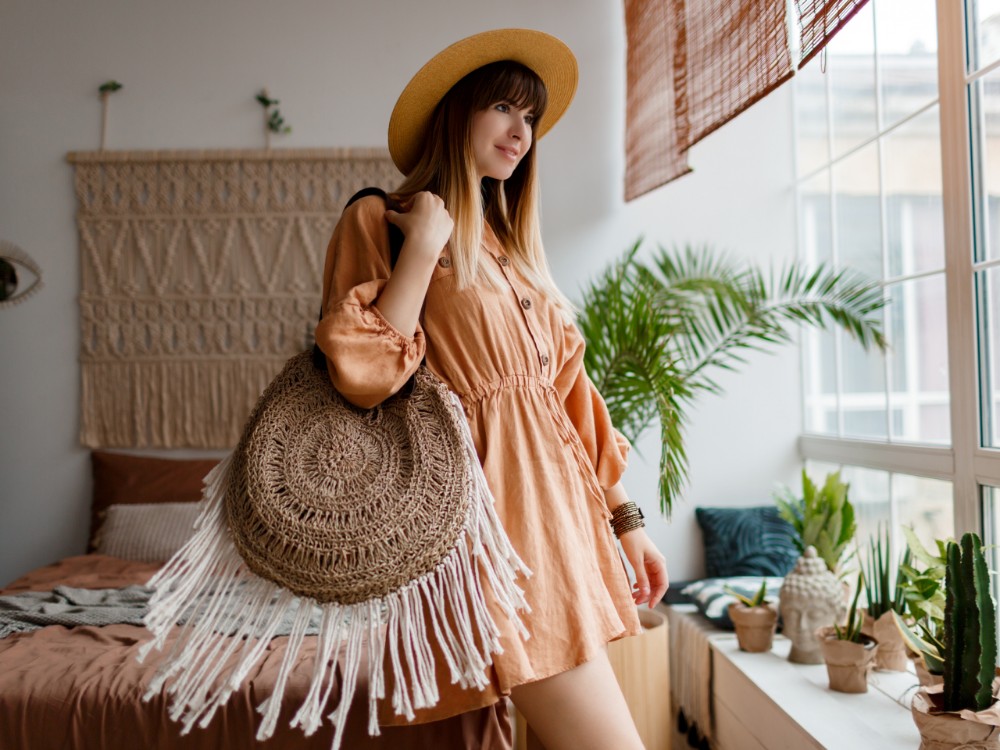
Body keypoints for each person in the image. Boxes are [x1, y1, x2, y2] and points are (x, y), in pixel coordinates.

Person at [314, 28, 669, 750]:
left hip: (559, 529)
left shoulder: (512, 250)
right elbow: (364, 376)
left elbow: (569, 401)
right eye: (504, 108)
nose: (521, 132)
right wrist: (423, 247)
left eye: (530, 117)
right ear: (457, 115)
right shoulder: (383, 221)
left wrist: (626, 520)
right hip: (480, 537)